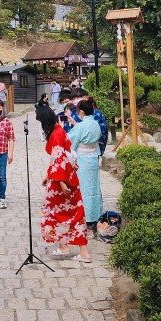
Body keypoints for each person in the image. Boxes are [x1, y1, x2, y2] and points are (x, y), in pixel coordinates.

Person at [37, 108, 91, 262]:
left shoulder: (57, 134)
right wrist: (48, 175)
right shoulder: (59, 131)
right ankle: (64, 246)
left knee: (55, 213)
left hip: (61, 180)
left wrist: (60, 181)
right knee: (72, 212)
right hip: (65, 177)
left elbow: (60, 159)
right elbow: (58, 159)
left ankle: (80, 251)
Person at [66, 97, 103, 236]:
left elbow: (71, 139)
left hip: (82, 159)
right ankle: (95, 215)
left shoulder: (81, 126)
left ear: (81, 112)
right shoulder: (95, 124)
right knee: (94, 187)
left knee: (83, 188)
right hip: (93, 157)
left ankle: (85, 217)